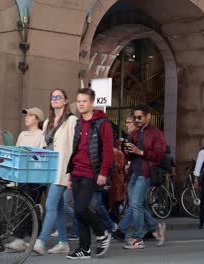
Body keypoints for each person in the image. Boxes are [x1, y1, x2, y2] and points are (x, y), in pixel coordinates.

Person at [65, 88, 113, 259]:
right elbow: (76, 149)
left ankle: (102, 232)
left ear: (92, 102)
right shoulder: (78, 123)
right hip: (77, 171)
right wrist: (70, 175)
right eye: (78, 101)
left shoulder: (102, 123)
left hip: (91, 172)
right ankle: (84, 248)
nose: (81, 104)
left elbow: (108, 150)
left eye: (84, 101)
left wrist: (103, 172)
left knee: (81, 208)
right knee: (79, 212)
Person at [33, 89, 77, 255]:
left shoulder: (71, 120)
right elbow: (44, 146)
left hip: (64, 169)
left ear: (65, 100)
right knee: (58, 207)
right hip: (51, 169)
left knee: (50, 204)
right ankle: (63, 242)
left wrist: (72, 172)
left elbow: (75, 147)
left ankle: (41, 240)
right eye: (53, 97)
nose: (55, 99)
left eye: (59, 97)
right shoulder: (47, 123)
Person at [122, 104, 166, 249]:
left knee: (135, 204)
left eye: (140, 117)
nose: (137, 120)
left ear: (148, 116)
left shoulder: (156, 133)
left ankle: (137, 238)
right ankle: (156, 228)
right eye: (135, 117)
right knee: (138, 205)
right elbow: (129, 155)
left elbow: (159, 155)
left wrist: (140, 151)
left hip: (146, 173)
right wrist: (127, 149)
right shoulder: (134, 133)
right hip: (133, 172)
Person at [4, 107, 46, 251]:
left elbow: (42, 156)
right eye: (26, 115)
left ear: (37, 119)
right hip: (21, 174)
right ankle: (36, 235)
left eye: (30, 115)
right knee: (25, 206)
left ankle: (21, 238)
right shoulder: (22, 134)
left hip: (34, 176)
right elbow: (17, 152)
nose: (26, 117)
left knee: (26, 205)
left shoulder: (42, 135)